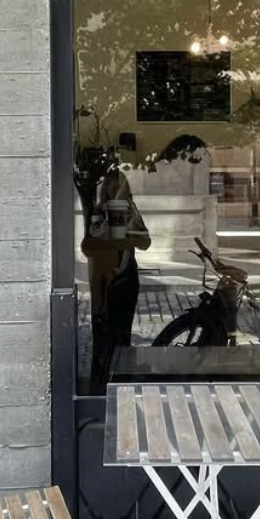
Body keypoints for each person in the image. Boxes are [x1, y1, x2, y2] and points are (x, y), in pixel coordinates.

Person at [82, 167, 151, 394]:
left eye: (118, 185)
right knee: (104, 333)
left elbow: (145, 240)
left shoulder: (131, 210)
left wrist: (126, 236)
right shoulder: (98, 212)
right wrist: (115, 238)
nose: (114, 190)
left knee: (123, 333)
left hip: (126, 278)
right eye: (110, 186)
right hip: (104, 280)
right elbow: (89, 245)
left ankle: (121, 381)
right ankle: (102, 383)